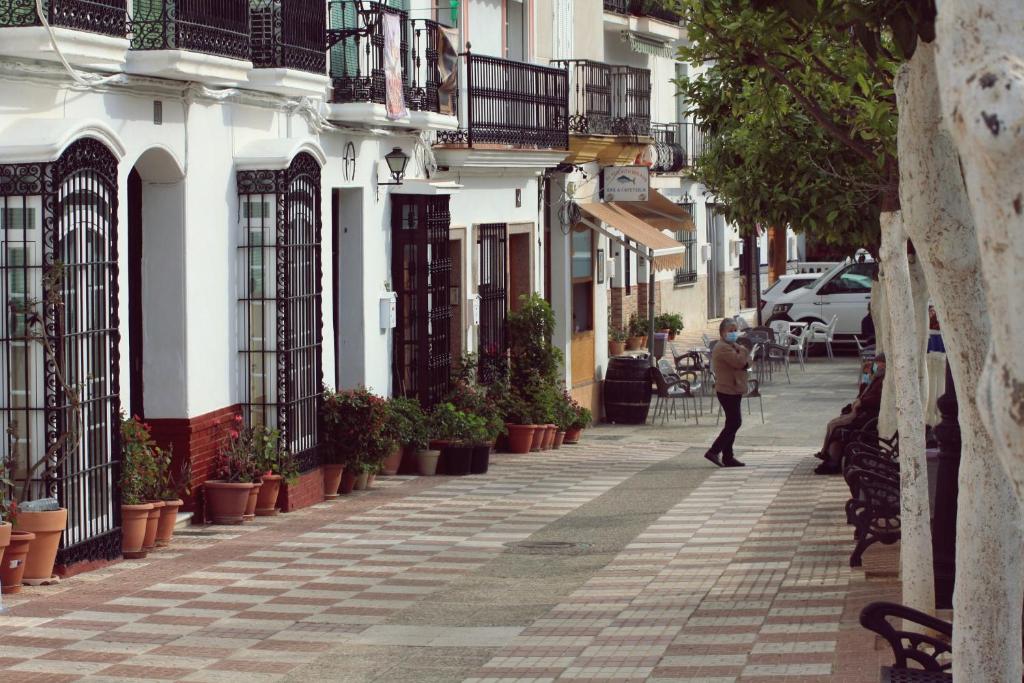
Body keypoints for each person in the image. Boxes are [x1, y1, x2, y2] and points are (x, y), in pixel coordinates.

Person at [813, 354, 886, 474]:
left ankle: (830, 458)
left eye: (879, 363)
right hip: (861, 411)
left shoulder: (882, 380)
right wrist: (866, 377)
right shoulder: (876, 378)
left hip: (867, 415)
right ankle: (825, 453)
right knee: (832, 424)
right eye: (876, 363)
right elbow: (862, 394)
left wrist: (862, 402)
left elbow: (876, 399)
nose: (877, 366)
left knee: (835, 426)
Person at [706, 318, 750, 468]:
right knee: (735, 422)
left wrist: (743, 356)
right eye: (730, 331)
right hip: (727, 390)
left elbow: (748, 363)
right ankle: (714, 451)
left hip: (735, 388)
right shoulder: (723, 347)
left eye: (734, 330)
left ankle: (728, 456)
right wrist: (743, 351)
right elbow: (740, 362)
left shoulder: (732, 345)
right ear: (722, 333)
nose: (733, 333)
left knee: (731, 422)